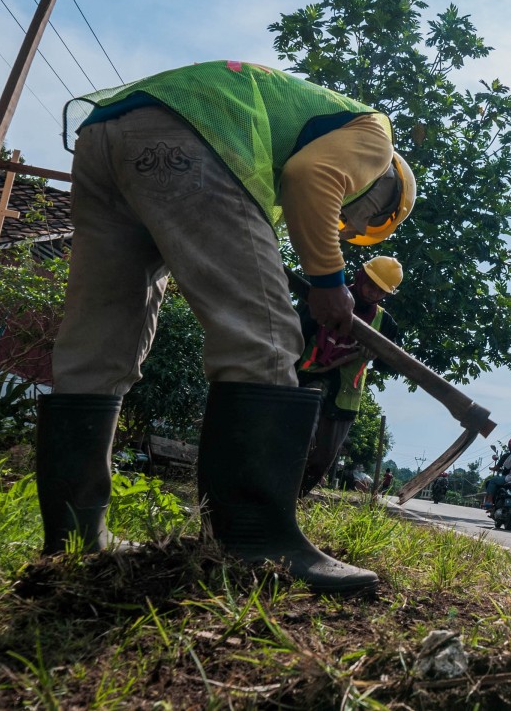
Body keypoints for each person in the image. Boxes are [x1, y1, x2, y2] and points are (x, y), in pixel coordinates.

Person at [40, 60, 416, 593]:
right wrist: (328, 280)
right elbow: (312, 179)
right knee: (265, 339)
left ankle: (75, 537)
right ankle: (256, 545)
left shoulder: (306, 124)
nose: (348, 225)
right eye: (358, 219)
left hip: (107, 134)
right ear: (382, 189)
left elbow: (303, 182)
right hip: (194, 137)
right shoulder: (374, 136)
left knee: (97, 345)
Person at [296, 256, 404, 494]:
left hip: (345, 394)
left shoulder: (384, 323)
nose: (374, 293)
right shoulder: (326, 297)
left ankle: (296, 496)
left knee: (324, 455)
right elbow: (294, 333)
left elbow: (391, 364)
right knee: (298, 439)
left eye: (381, 291)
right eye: (371, 285)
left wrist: (377, 352)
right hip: (307, 378)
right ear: (360, 276)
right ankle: (276, 492)